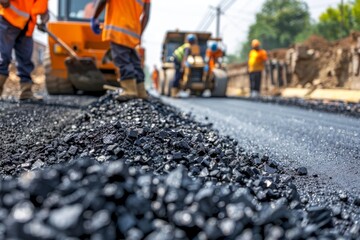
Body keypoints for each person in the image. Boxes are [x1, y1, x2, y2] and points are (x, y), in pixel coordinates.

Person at [91, 0, 151, 101]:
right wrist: (139, 33)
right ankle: (141, 91)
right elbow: (147, 15)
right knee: (134, 60)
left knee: (122, 59)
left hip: (118, 28)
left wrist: (94, 17)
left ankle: (130, 90)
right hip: (133, 31)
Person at [0, 0, 49, 100]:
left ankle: (26, 92)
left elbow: (41, 5)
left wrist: (44, 16)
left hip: (27, 25)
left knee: (26, 60)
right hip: (8, 19)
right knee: (3, 57)